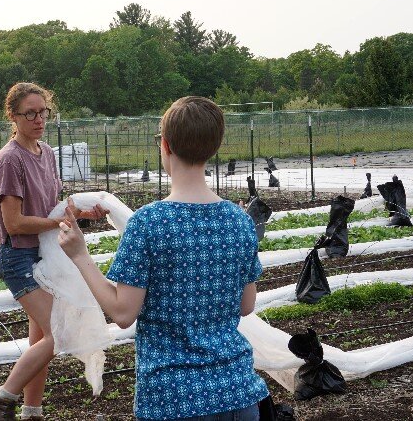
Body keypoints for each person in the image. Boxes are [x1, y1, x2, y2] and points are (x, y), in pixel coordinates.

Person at [58, 96, 269, 421]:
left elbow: (123, 313)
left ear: (166, 146)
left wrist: (80, 254)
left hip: (174, 397)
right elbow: (246, 305)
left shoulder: (149, 223)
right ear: (214, 147)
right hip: (237, 392)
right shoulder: (238, 220)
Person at [0, 82, 107, 421]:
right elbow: (15, 224)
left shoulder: (46, 153)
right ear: (13, 116)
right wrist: (59, 224)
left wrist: (82, 212)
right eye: (30, 113)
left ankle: (32, 411)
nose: (39, 119)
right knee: (60, 331)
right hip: (20, 258)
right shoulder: (10, 159)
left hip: (44, 256)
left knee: (41, 336)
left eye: (43, 112)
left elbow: (51, 208)